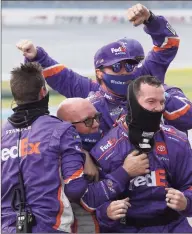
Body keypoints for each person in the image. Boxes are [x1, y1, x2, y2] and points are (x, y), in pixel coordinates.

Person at [16, 3, 192, 147]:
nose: (125, 71)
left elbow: (168, 44)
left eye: (130, 65)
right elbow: (61, 76)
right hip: (118, 176)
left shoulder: (147, 79)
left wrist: (151, 20)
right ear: (99, 73)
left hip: (166, 170)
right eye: (116, 66)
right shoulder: (90, 94)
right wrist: (36, 56)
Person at [90, 75, 192, 233]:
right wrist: (107, 212)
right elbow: (92, 200)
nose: (158, 108)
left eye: (162, 102)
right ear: (133, 103)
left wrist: (186, 201)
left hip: (174, 227)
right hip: (128, 229)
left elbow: (189, 185)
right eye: (151, 102)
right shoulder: (106, 149)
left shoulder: (178, 140)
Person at [1, 62, 89, 233]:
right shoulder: (61, 130)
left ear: (15, 96)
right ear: (43, 91)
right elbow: (75, 187)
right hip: (52, 227)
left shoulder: (2, 134)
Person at [56, 97, 150, 233]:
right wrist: (125, 171)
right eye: (87, 121)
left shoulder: (103, 139)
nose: (96, 124)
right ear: (67, 127)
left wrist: (85, 154)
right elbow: (88, 199)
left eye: (97, 117)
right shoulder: (62, 160)